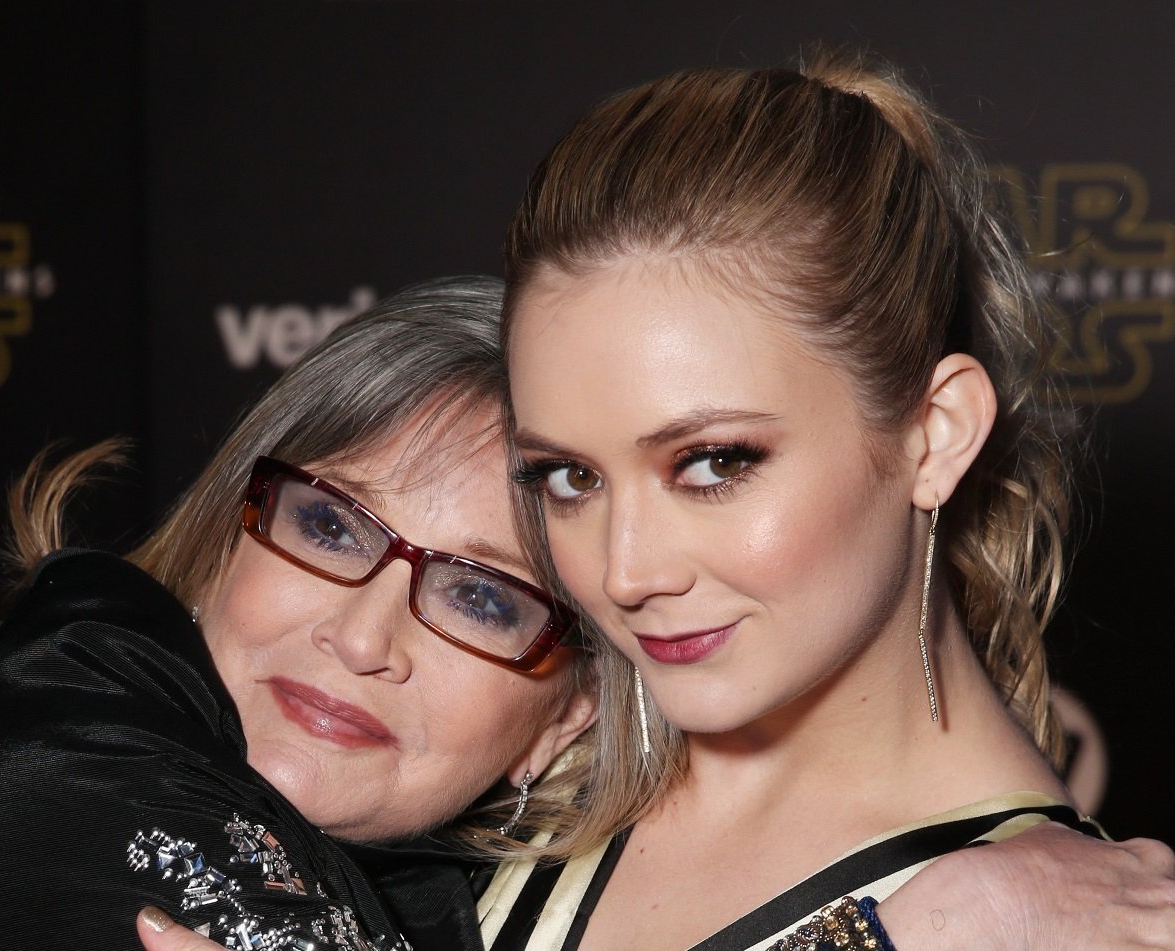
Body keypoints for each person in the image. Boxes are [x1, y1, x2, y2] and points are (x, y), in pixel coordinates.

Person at [475, 52, 1175, 949]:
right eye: (569, 477)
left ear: (937, 432)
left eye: (714, 461)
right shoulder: (507, 771)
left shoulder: (1068, 929)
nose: (625, 571)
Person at [0, 275, 597, 950]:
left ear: (563, 719)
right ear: (223, 539)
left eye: (480, 597)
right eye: (331, 527)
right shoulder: (60, 740)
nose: (362, 638)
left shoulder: (476, 907)